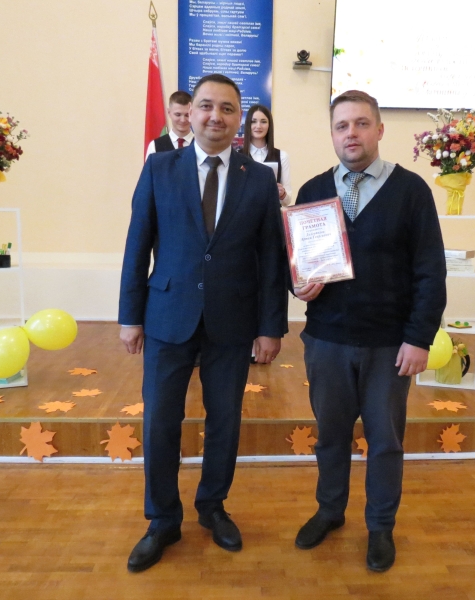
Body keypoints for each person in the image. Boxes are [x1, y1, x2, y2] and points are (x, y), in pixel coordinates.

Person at [119, 73, 287, 573]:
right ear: (189, 113)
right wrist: (130, 316)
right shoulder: (159, 168)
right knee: (160, 422)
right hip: (167, 316)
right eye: (207, 106)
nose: (217, 116)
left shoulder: (259, 179)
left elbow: (271, 258)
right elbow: (137, 244)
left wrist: (271, 326)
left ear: (240, 120)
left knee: (225, 420)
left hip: (232, 321)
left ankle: (212, 506)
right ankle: (162, 519)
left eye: (228, 108)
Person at [292, 90, 446, 572]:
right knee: (330, 436)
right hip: (327, 340)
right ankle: (329, 511)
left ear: (379, 130)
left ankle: (380, 526)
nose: (351, 134)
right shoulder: (313, 191)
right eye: (342, 126)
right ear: (332, 134)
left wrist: (419, 338)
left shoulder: (411, 191)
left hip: (389, 345)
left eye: (361, 123)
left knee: (384, 442)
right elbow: (292, 263)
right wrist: (297, 285)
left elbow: (430, 271)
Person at [241, 104, 292, 206]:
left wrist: (282, 194)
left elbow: (287, 201)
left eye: (263, 122)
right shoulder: (237, 156)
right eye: (253, 121)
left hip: (271, 213)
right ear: (247, 125)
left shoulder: (282, 156)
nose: (258, 126)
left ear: (269, 125)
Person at [145, 91, 193, 158]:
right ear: (169, 112)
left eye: (187, 115)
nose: (183, 120)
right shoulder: (155, 146)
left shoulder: (202, 145)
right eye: (178, 115)